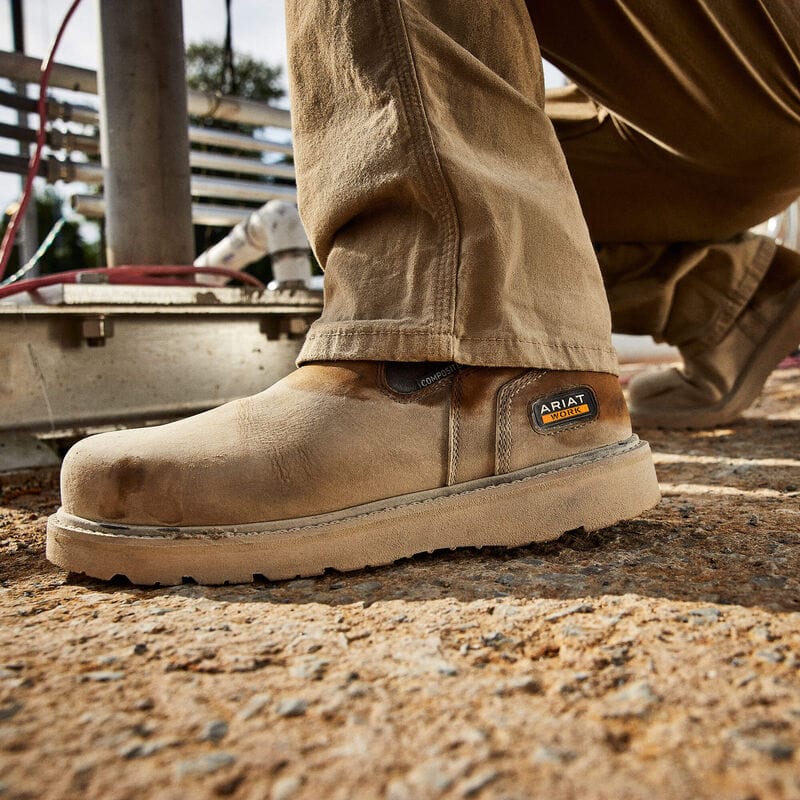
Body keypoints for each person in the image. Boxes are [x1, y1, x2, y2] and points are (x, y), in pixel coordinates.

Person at [46, 0, 800, 585]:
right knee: (489, 142)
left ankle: (441, 363)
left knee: (453, 138)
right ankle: (723, 298)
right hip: (732, 98)